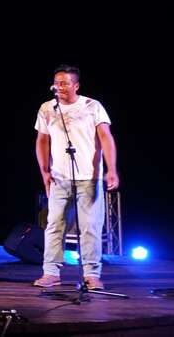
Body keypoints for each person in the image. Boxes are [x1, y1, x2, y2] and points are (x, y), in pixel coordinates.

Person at [33, 65, 120, 291]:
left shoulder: (92, 106)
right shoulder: (47, 108)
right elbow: (42, 140)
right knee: (54, 225)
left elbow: (106, 137)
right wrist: (44, 171)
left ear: (76, 85)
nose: (59, 87)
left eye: (64, 83)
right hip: (59, 178)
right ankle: (51, 273)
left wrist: (111, 169)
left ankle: (91, 275)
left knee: (90, 227)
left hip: (88, 177)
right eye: (56, 83)